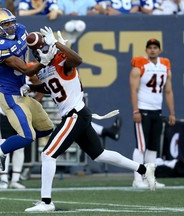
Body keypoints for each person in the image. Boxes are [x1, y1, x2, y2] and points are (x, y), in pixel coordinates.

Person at [21, 27, 157, 212]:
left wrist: (56, 44)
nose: (39, 54)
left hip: (75, 114)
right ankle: (143, 169)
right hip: (76, 114)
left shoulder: (62, 60)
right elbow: (53, 88)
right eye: (36, 52)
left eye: (41, 49)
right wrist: (33, 88)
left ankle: (46, 202)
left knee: (48, 154)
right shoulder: (44, 68)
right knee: (100, 154)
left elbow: (78, 60)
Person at [0, 8, 57, 185]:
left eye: (11, 22)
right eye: (6, 24)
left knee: (47, 129)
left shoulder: (20, 29)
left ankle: (3, 145)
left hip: (23, 92)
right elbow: (26, 69)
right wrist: (43, 61)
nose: (11, 26)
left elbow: (31, 50)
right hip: (10, 96)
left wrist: (46, 46)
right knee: (27, 136)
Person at [130, 38, 176, 189]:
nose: (152, 50)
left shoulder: (165, 66)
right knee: (141, 147)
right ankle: (137, 179)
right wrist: (136, 110)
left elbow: (168, 91)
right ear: (146, 50)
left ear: (160, 50)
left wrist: (172, 113)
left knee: (152, 148)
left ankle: (150, 179)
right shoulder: (140, 66)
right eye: (150, 47)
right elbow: (133, 90)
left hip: (157, 110)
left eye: (155, 47)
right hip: (143, 110)